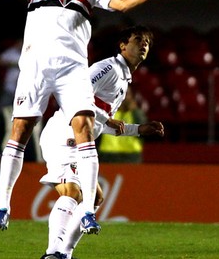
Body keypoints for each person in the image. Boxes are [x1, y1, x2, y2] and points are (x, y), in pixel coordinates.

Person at [0, 0, 175, 233]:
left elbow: (120, 4)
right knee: (20, 131)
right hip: (36, 65)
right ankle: (2, 206)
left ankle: (87, 213)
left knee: (84, 127)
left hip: (73, 68)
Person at [39, 25, 165, 259]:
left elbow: (100, 122)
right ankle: (53, 253)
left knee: (95, 197)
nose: (144, 44)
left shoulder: (124, 78)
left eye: (147, 41)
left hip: (79, 138)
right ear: (123, 45)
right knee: (72, 191)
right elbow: (75, 94)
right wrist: (108, 117)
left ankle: (63, 253)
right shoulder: (109, 67)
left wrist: (138, 129)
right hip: (65, 134)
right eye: (138, 40)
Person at [97, 88, 147, 163]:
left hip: (131, 156)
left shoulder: (136, 113)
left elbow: (145, 133)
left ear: (132, 97)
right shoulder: (106, 112)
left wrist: (136, 111)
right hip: (107, 155)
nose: (124, 97)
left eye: (127, 94)